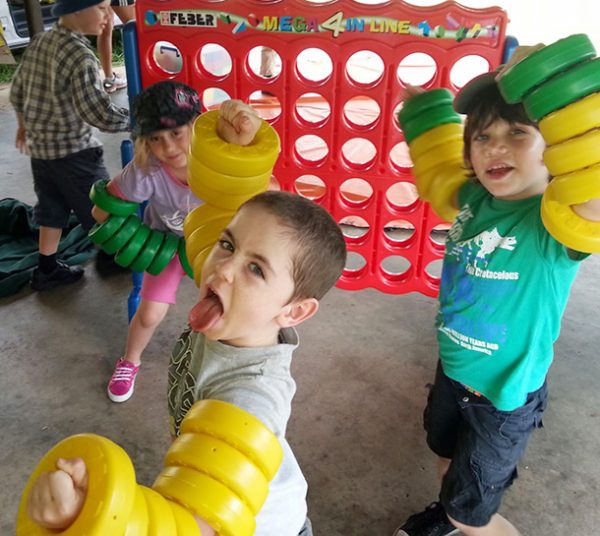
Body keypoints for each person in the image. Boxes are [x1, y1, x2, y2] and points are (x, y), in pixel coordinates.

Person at [25, 190, 347, 536]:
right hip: (210, 467)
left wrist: (89, 511)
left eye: (256, 268)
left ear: (294, 311)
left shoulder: (249, 399)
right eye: (227, 244)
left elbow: (190, 529)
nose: (224, 269)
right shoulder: (234, 319)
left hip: (256, 524)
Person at [393, 58, 600, 536]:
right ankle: (448, 512)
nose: (495, 147)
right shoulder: (473, 198)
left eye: (518, 133)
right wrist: (423, 108)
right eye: (482, 136)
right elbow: (436, 161)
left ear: (558, 147)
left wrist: (571, 106)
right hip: (453, 369)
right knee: (445, 454)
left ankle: (463, 519)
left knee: (474, 515)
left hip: (503, 398)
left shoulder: (555, 222)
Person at [93, 83, 262, 404]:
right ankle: (130, 360)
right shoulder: (146, 172)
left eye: (176, 134)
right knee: (149, 314)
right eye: (155, 138)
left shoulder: (221, 165)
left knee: (237, 308)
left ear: (197, 127)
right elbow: (103, 210)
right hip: (167, 248)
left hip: (218, 246)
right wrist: (127, 235)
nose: (167, 147)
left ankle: (237, 370)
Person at [9, 0, 130, 292]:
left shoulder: (40, 41)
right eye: (102, 9)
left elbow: (18, 89)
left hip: (42, 153)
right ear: (77, 9)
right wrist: (135, 122)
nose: (108, 17)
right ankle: (111, 255)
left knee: (50, 210)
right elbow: (98, 113)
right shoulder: (81, 56)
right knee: (102, 204)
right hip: (75, 154)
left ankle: (46, 268)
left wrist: (24, 125)